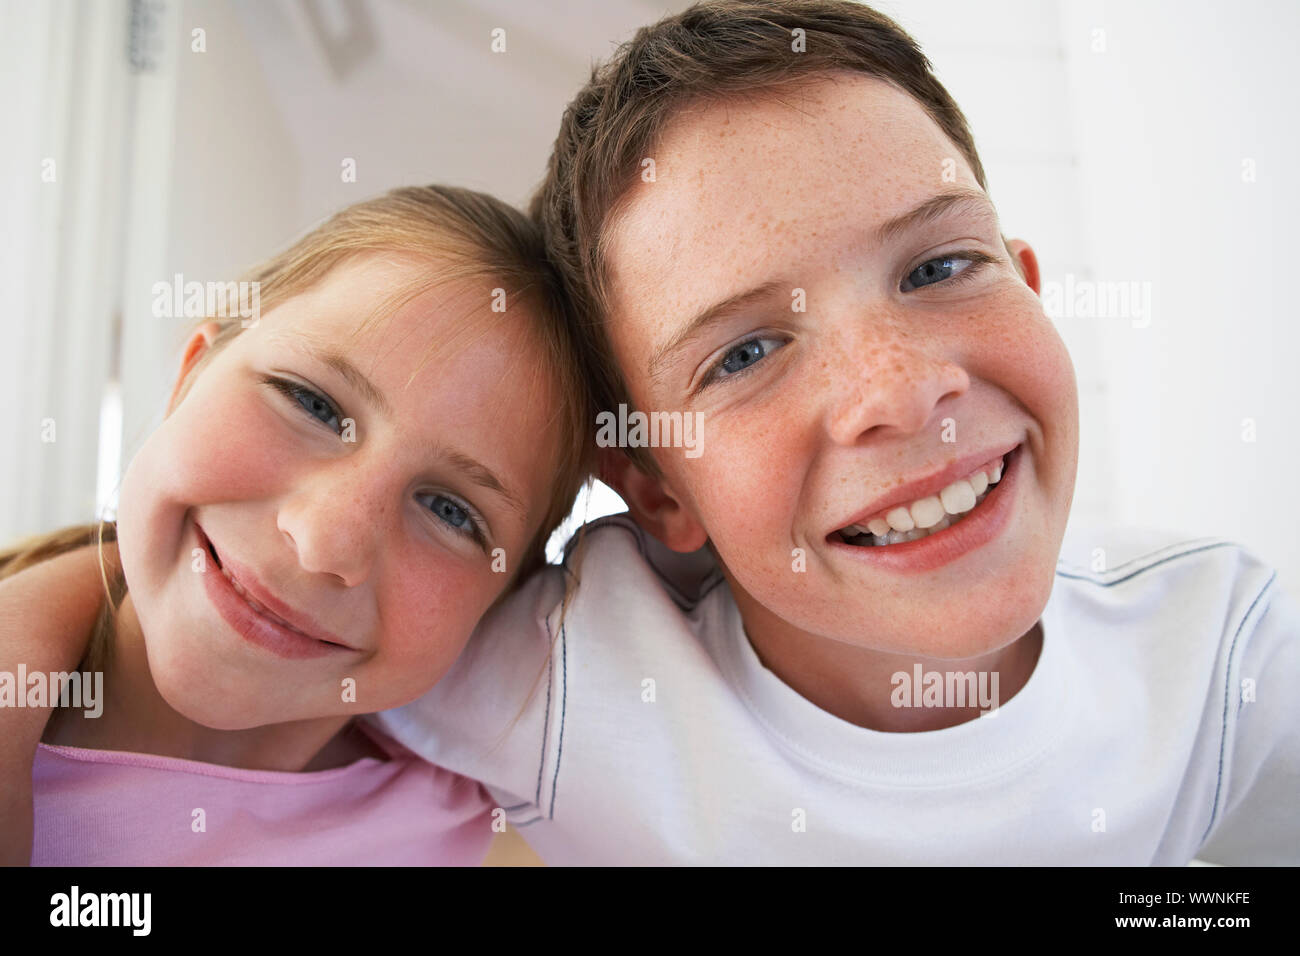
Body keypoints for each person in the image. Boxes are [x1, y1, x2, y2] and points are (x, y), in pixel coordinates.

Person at [372, 0, 1300, 864]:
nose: (901, 392)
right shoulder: (558, 685)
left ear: (1028, 284)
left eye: (939, 267)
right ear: (655, 486)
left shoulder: (1224, 652)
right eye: (745, 354)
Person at [0, 184, 591, 865]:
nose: (322, 542)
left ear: (505, 598)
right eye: (310, 403)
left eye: (450, 512)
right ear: (190, 375)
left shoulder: (496, 829)